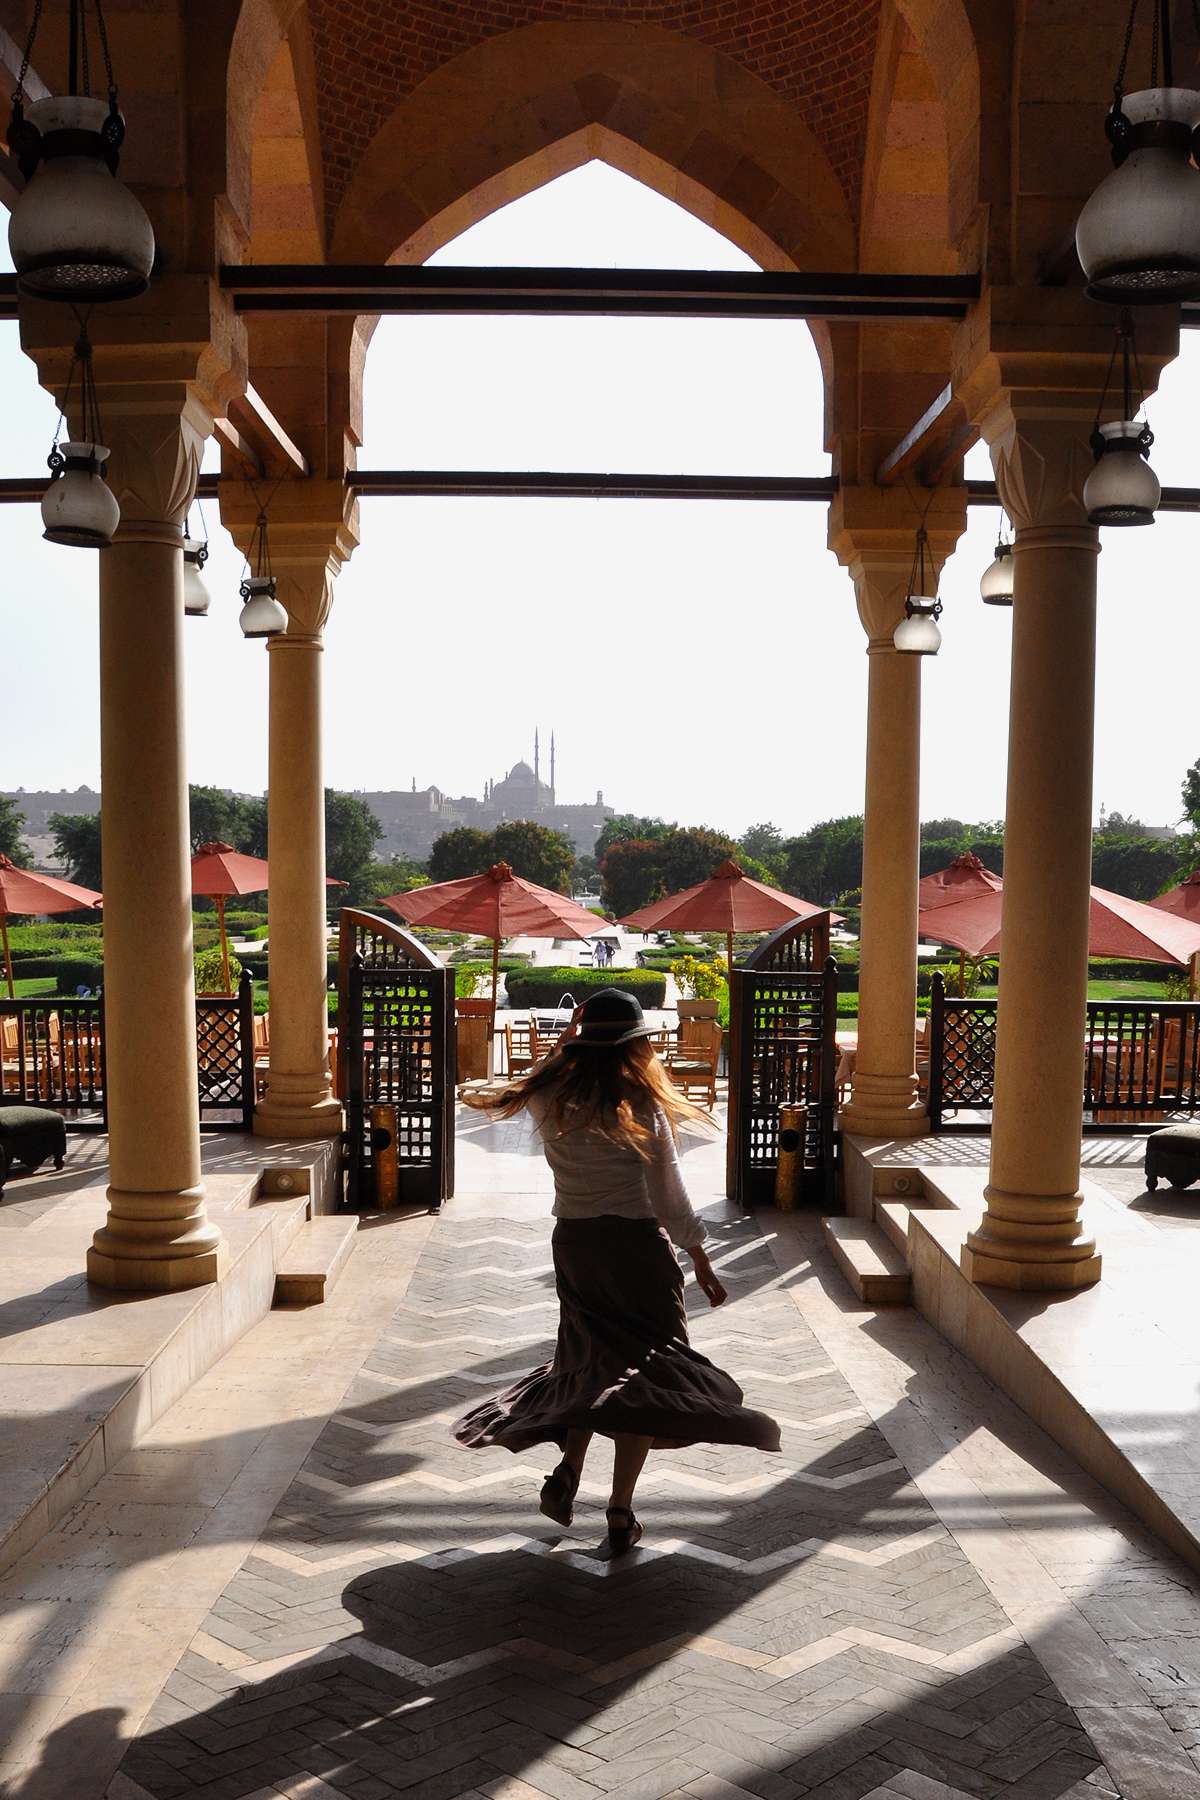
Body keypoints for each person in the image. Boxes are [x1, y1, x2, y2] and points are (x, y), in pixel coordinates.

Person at [453, 987, 780, 1555]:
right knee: (642, 1380)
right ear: (636, 1045)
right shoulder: (641, 1104)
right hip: (635, 1250)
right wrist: (699, 1256)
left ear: (581, 1039)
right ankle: (620, 1510)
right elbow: (668, 1194)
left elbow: (545, 1068)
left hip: (576, 1245)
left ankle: (568, 1468)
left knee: (585, 1364)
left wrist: (569, 1038)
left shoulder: (548, 1094)